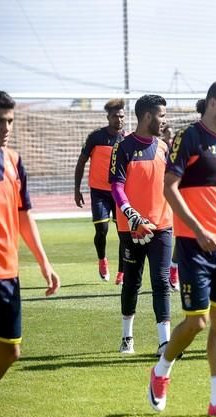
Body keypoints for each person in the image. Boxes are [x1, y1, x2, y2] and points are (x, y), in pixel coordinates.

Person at [148, 78, 216, 417]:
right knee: (197, 322)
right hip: (195, 245)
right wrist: (199, 229)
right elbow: (169, 188)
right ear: (213, 103)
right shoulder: (188, 137)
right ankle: (161, 370)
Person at [0, 90, 61, 376]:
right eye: (0, 121)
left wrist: (44, 263)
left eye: (10, 121)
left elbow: (24, 216)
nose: (6, 128)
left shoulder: (13, 160)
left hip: (8, 273)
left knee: (11, 350)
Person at [109, 95, 173, 356]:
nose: (164, 120)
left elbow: (171, 183)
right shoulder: (122, 148)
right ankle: (127, 337)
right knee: (132, 283)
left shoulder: (163, 147)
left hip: (162, 226)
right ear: (148, 116)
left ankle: (165, 342)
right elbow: (116, 186)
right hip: (131, 228)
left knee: (161, 281)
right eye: (162, 115)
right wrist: (132, 216)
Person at [74, 99, 126, 284]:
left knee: (123, 233)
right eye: (115, 116)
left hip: (119, 192)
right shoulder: (95, 137)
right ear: (108, 117)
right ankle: (102, 260)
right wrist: (77, 189)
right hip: (99, 192)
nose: (119, 119)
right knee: (102, 230)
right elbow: (81, 163)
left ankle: (122, 271)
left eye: (121, 116)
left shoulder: (126, 139)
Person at [161, 125, 180, 292]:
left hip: (177, 196)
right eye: (167, 134)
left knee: (180, 236)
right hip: (159, 197)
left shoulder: (178, 149)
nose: (170, 137)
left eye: (172, 135)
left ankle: (174, 268)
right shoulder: (158, 148)